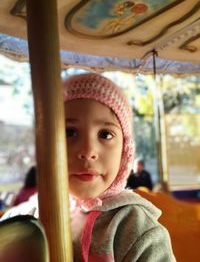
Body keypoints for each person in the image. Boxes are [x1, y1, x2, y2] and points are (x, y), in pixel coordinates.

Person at [1, 73, 176, 261]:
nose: (88, 150)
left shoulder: (137, 230)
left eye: (105, 134)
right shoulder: (23, 220)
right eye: (70, 132)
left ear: (125, 150)